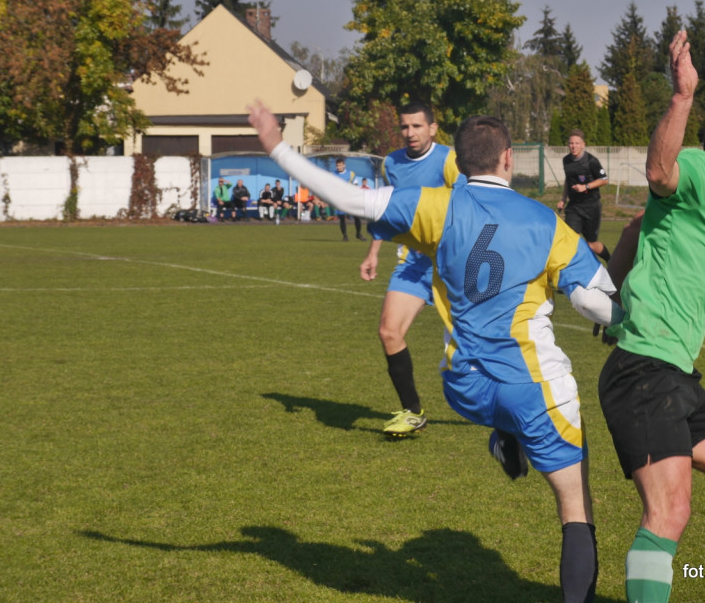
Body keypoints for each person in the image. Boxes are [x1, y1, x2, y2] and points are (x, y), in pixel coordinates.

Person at [248, 100, 622, 603]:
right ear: (509, 158)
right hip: (531, 384)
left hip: (462, 384)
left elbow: (348, 199)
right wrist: (626, 317)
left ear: (459, 160)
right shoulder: (544, 222)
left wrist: (276, 147)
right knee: (575, 504)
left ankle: (505, 436)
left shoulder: (435, 205)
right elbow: (592, 302)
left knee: (495, 405)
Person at [597, 31, 705, 603]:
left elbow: (632, 228)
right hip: (645, 371)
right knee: (669, 511)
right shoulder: (697, 169)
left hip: (672, 374)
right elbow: (658, 172)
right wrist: (682, 97)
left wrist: (607, 294)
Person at [358, 101, 462, 438]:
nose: (410, 133)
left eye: (417, 126)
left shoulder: (450, 160)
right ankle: (413, 412)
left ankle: (515, 408)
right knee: (389, 331)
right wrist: (373, 252)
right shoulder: (392, 164)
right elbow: (389, 213)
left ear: (433, 128)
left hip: (454, 264)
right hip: (414, 264)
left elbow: (469, 206)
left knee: (476, 348)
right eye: (405, 126)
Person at [557, 130, 611, 263]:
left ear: (583, 145)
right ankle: (576, 272)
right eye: (571, 143)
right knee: (571, 240)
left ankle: (610, 260)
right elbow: (568, 180)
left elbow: (604, 179)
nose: (573, 146)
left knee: (592, 245)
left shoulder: (591, 161)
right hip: (574, 207)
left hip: (591, 207)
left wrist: (586, 186)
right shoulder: (566, 160)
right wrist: (563, 199)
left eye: (577, 143)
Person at [334, 156, 366, 241]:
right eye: (337, 165)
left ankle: (358, 234)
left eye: (340, 165)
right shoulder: (333, 175)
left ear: (344, 165)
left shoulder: (351, 174)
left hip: (351, 199)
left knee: (356, 216)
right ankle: (345, 236)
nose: (338, 167)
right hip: (340, 199)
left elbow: (355, 185)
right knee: (342, 218)